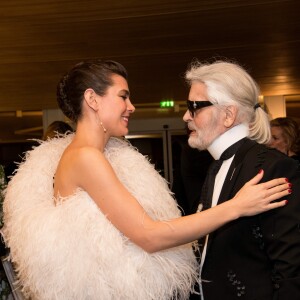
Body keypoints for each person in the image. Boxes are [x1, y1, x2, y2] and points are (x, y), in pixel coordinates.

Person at [2, 60, 290, 300]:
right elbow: (150, 236)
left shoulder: (92, 155)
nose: (132, 106)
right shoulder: (86, 157)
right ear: (92, 99)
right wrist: (235, 207)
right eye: (123, 96)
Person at [183, 60, 300, 299]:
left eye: (194, 106)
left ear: (228, 114)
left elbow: (291, 271)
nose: (186, 116)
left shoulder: (274, 167)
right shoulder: (214, 168)